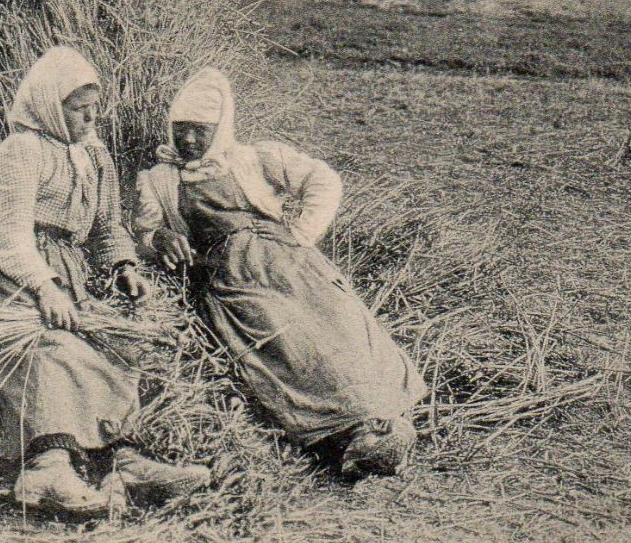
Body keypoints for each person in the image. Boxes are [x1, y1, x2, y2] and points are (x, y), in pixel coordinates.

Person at [0, 45, 210, 517]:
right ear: (49, 105)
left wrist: (125, 267)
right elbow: (4, 235)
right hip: (12, 278)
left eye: (92, 110)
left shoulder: (96, 154)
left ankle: (123, 461)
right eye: (78, 110)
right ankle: (46, 466)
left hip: (71, 276)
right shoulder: (21, 150)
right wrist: (43, 286)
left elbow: (107, 226)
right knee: (48, 346)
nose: (88, 119)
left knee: (119, 347)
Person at [135, 67, 427, 479]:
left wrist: (303, 234)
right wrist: (161, 239)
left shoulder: (253, 158)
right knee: (289, 341)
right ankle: (342, 436)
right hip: (235, 277)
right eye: (179, 128)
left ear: (220, 129)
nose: (186, 139)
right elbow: (139, 236)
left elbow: (324, 180)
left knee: (342, 324)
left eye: (199, 130)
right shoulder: (160, 180)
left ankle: (386, 420)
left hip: (293, 262)